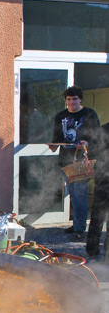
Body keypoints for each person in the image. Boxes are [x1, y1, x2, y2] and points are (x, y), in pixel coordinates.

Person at [50, 86, 100, 240]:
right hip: (65, 161)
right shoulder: (60, 116)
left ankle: (80, 228)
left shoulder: (89, 114)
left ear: (80, 99)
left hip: (82, 162)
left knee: (80, 195)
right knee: (73, 194)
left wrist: (87, 142)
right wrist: (53, 145)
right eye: (68, 100)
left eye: (74, 99)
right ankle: (76, 224)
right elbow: (57, 136)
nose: (71, 102)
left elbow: (99, 135)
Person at [86, 121, 109, 260]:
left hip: (102, 176)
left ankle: (91, 252)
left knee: (97, 216)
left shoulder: (103, 128)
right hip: (104, 176)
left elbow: (92, 152)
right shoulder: (104, 129)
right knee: (97, 216)